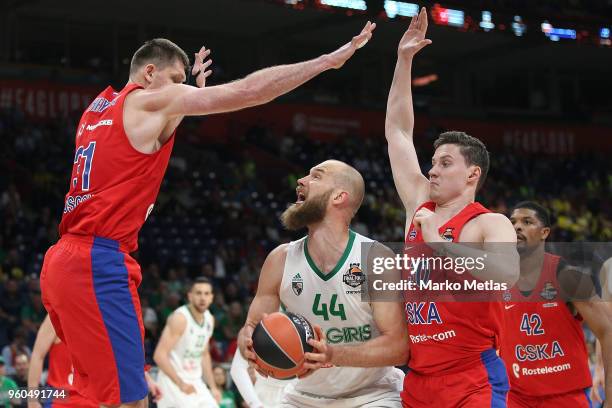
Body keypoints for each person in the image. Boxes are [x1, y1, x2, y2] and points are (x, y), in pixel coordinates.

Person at [38, 22, 376, 408]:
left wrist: (191, 93)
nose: (180, 88)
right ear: (150, 73)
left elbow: (140, 140)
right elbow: (249, 92)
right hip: (96, 262)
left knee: (91, 394)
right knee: (129, 400)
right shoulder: (147, 102)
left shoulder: (98, 109)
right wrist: (326, 62)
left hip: (65, 260)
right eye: (175, 79)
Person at [385, 8, 519, 407]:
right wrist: (403, 60)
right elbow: (398, 131)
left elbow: (505, 274)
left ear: (472, 173)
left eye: (446, 163)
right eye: (433, 161)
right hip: (419, 378)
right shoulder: (419, 203)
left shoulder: (489, 224)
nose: (433, 169)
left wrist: (440, 244)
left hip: (472, 377)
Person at [238, 160, 407, 407]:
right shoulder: (280, 259)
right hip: (303, 397)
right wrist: (250, 347)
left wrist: (332, 355)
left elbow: (398, 347)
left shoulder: (374, 258)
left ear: (339, 196)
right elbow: (251, 326)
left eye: (316, 177)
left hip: (373, 395)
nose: (301, 181)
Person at [501, 202, 612, 407]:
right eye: (512, 222)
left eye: (527, 222)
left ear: (544, 233)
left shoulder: (568, 275)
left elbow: (608, 330)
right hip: (516, 397)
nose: (517, 227)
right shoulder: (498, 279)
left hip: (565, 397)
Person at [154, 277, 219, 408]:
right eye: (198, 293)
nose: (202, 298)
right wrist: (180, 383)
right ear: (190, 296)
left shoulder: (209, 319)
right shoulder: (180, 318)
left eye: (206, 294)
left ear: (211, 297)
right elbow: (159, 355)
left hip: (195, 381)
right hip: (172, 382)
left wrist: (213, 387)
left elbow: (204, 354)